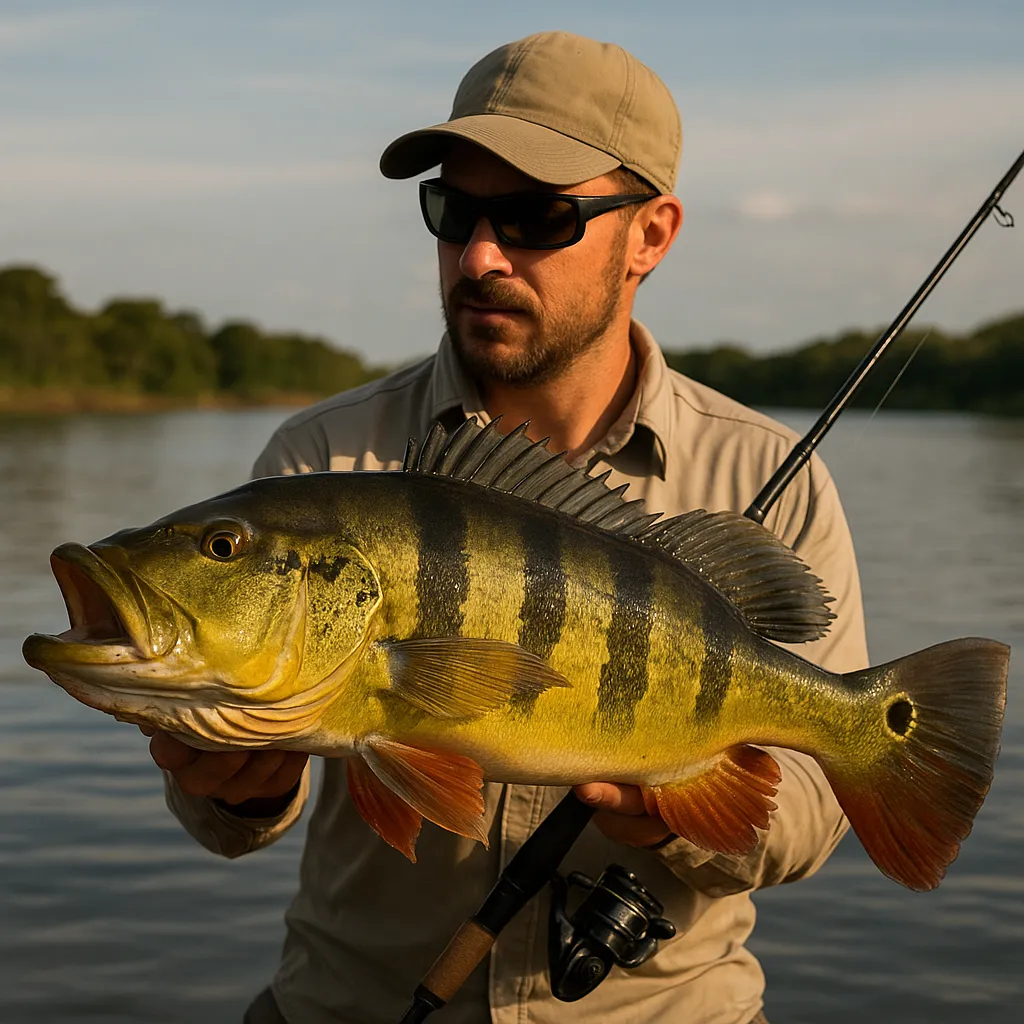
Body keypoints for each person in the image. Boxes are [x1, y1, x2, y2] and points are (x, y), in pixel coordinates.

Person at [148, 31, 868, 1024]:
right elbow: (235, 819)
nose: (480, 256)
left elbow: (810, 818)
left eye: (535, 217)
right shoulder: (326, 460)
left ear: (651, 236)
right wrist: (234, 788)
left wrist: (672, 814)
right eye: (453, 211)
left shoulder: (762, 475)